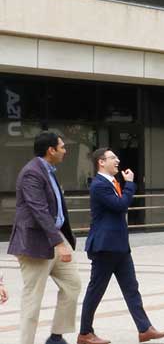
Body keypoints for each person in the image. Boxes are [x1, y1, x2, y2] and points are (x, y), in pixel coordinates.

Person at [78, 148, 164, 344]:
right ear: (101, 162)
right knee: (96, 290)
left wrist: (125, 185)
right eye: (113, 158)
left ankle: (145, 329)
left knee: (131, 288)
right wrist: (129, 185)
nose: (117, 160)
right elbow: (120, 205)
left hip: (119, 246)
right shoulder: (98, 185)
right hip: (105, 247)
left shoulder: (112, 182)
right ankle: (85, 333)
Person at [8, 132, 81, 344]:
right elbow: (38, 209)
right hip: (34, 242)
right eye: (62, 147)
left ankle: (56, 337)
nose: (65, 151)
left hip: (55, 236)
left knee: (72, 285)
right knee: (33, 298)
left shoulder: (48, 171)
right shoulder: (32, 172)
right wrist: (59, 243)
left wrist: (61, 238)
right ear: (51, 150)